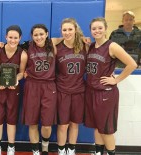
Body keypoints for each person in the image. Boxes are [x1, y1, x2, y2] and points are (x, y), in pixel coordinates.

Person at [85, 17, 137, 155]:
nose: (97, 31)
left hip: (105, 93)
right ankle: (98, 153)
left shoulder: (112, 46)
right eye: (94, 28)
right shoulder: (91, 46)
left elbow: (132, 64)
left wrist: (117, 79)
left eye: (100, 28)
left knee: (105, 129)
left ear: (106, 29)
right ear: (90, 30)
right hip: (91, 91)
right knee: (96, 127)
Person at [0, 25, 28, 155]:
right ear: (6, 37)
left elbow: (21, 72)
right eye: (10, 37)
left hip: (13, 89)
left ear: (20, 38)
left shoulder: (22, 54)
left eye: (15, 38)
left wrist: (16, 80)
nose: (12, 40)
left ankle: (11, 146)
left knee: (12, 119)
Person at [20, 24, 57, 155]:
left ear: (47, 34)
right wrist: (0, 44)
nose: (38, 37)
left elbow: (71, 38)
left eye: (41, 34)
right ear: (32, 36)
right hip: (32, 85)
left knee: (47, 124)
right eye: (35, 35)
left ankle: (45, 146)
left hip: (49, 86)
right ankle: (36, 151)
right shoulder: (27, 46)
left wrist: (84, 39)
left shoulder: (53, 43)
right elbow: (10, 47)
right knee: (32, 122)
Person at [55, 18, 88, 155]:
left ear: (76, 30)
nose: (67, 32)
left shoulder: (85, 46)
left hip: (79, 91)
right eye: (64, 30)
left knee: (75, 123)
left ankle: (71, 149)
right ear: (61, 31)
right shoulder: (57, 48)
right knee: (63, 124)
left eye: (70, 29)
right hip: (62, 91)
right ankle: (61, 150)